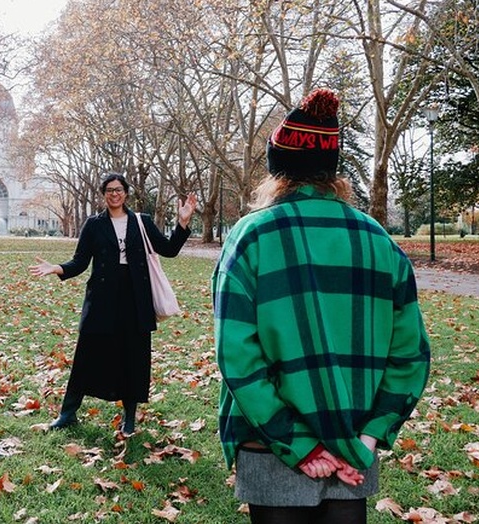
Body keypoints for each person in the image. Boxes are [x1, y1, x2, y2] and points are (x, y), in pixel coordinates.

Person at [212, 89, 431, 524]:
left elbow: (236, 355)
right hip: (353, 440)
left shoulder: (251, 235)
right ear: (333, 171)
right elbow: (410, 355)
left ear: (277, 170)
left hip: (271, 441)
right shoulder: (378, 240)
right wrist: (370, 436)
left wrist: (297, 441)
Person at [29, 173, 196, 436]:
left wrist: (182, 222)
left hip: (135, 298)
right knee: (86, 354)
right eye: (109, 190)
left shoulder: (141, 221)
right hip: (102, 298)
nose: (114, 194)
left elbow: (169, 249)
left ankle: (129, 417)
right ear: (104, 194)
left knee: (133, 357)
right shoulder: (94, 225)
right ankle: (68, 413)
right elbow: (80, 262)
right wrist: (57, 268)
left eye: (118, 190)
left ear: (126, 193)